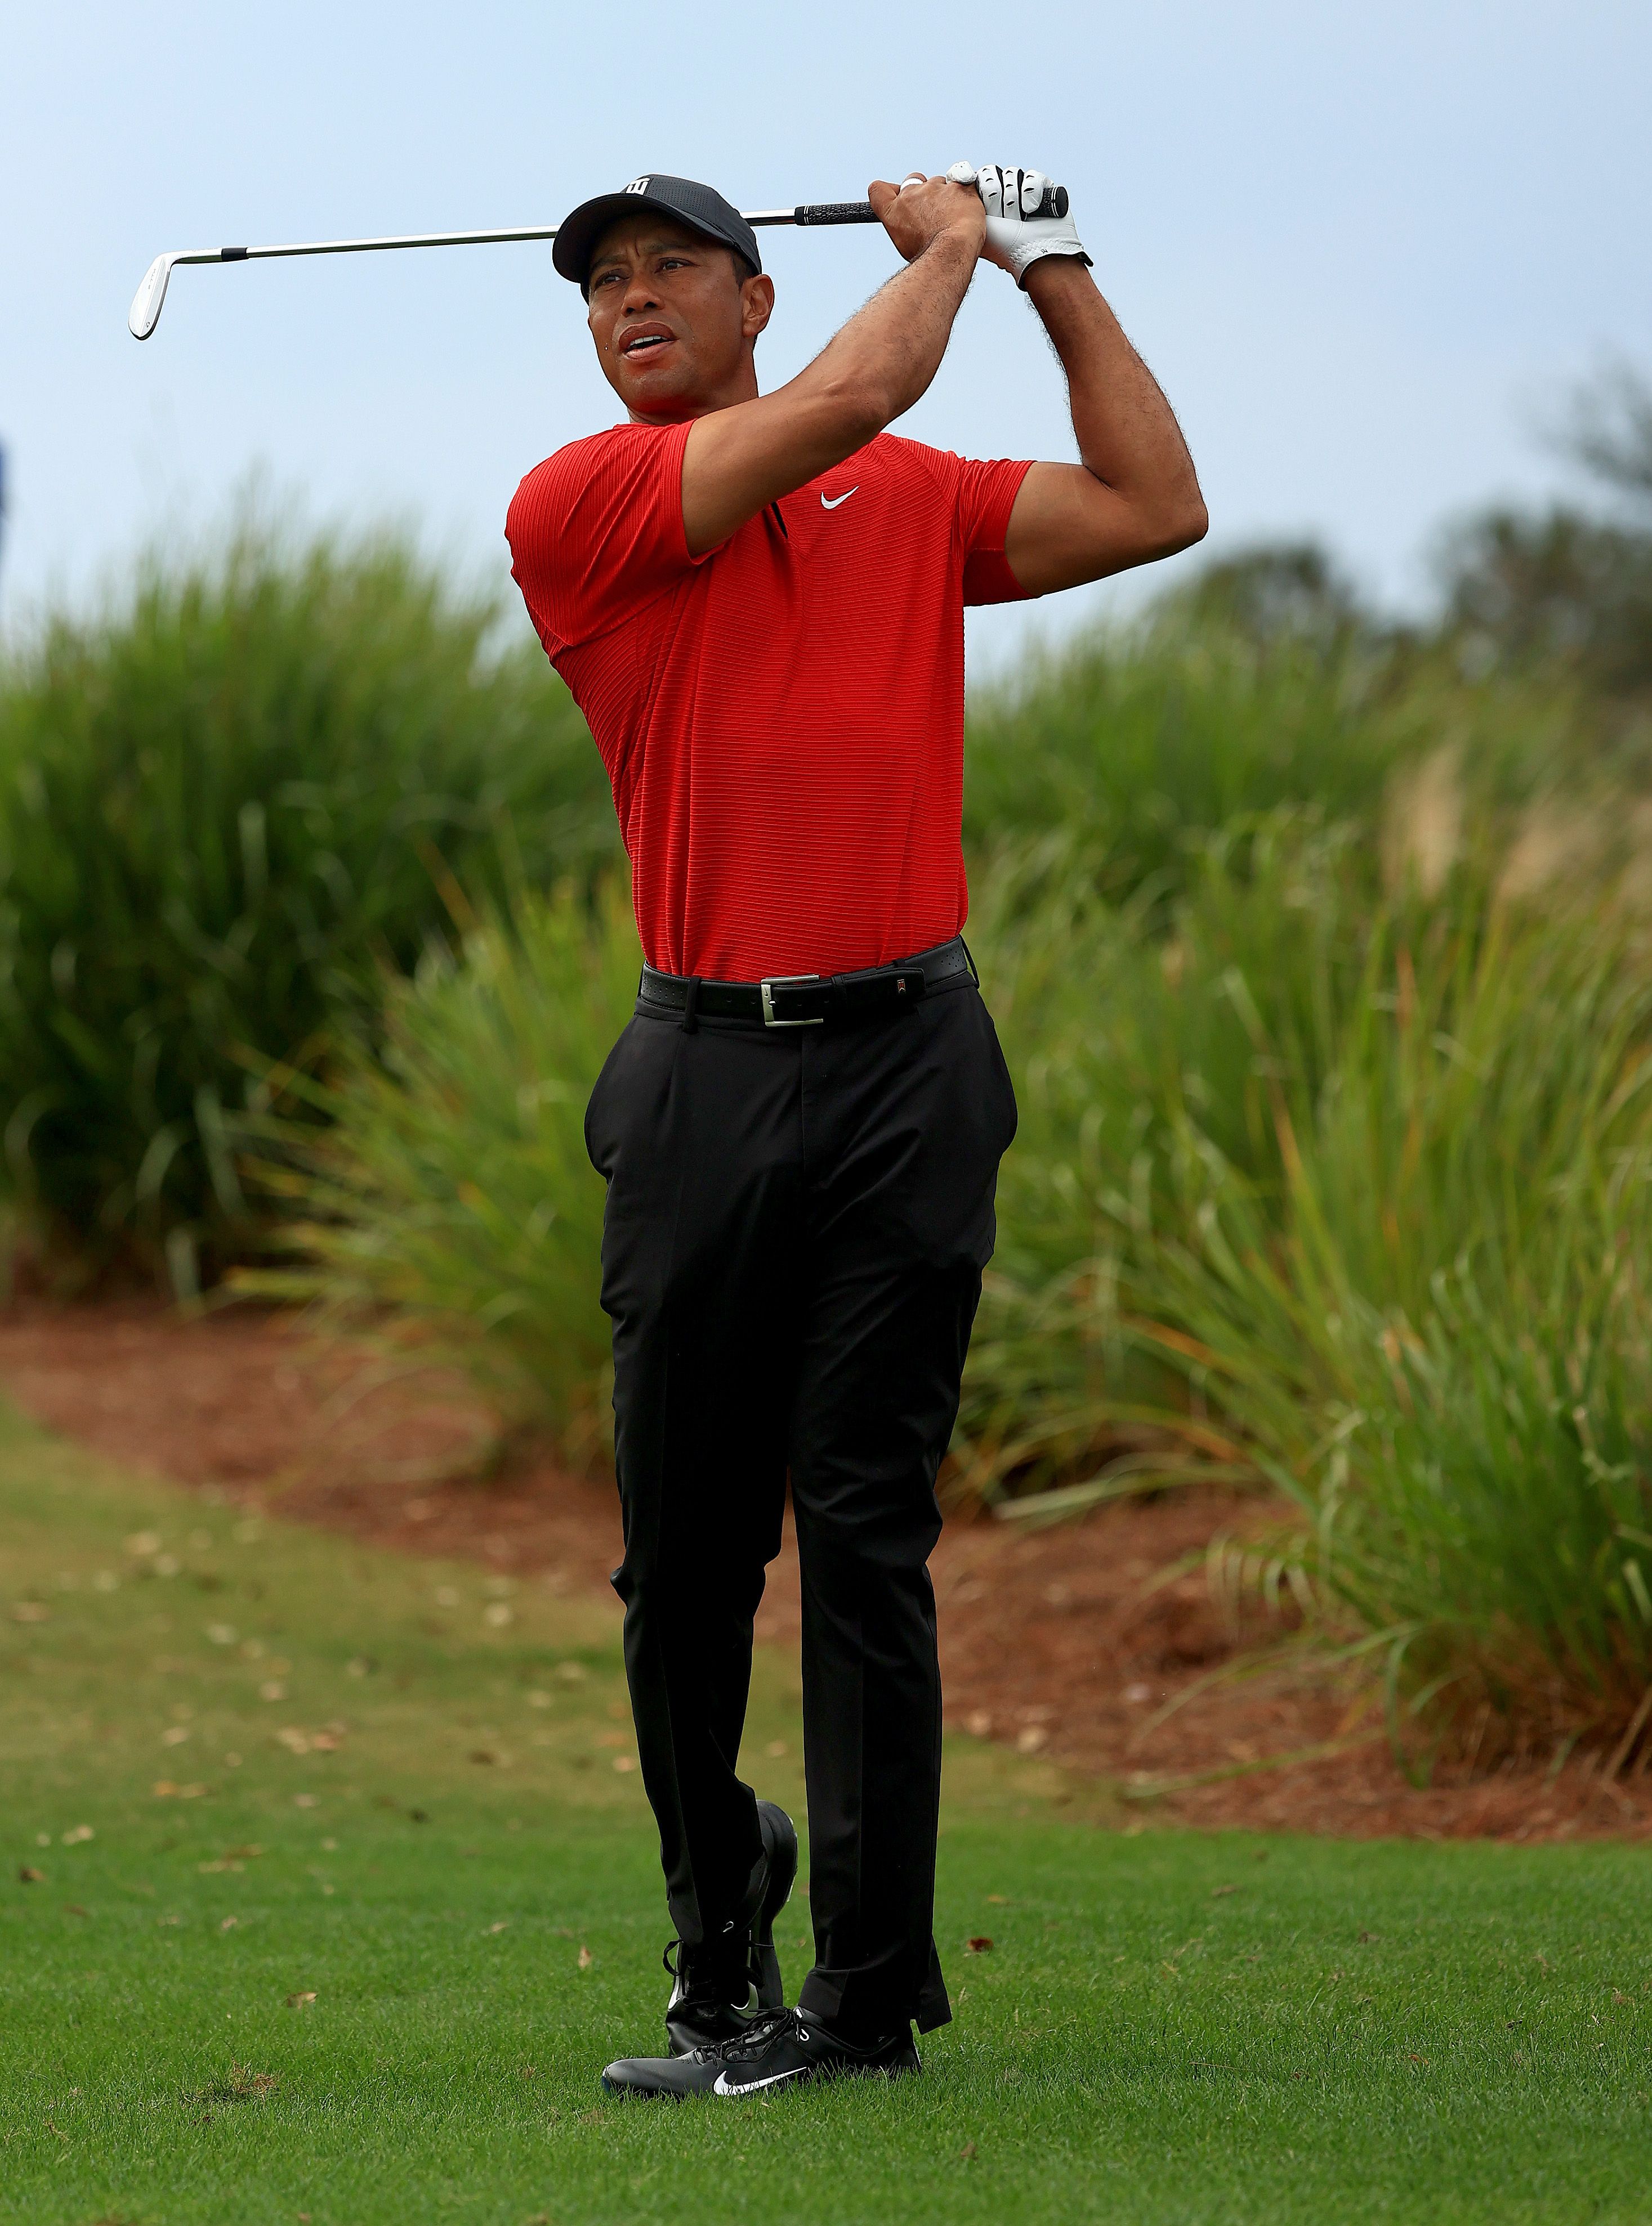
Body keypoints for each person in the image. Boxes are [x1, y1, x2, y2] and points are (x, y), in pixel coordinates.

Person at [506, 162, 1206, 2099]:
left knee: (870, 1541)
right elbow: (845, 401)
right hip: (703, 1072)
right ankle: (714, 1924)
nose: (632, 299)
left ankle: (869, 1997)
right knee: (686, 1562)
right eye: (604, 283)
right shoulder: (587, 503)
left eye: (674, 270)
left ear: (753, 294)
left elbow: (1159, 503)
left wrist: (1054, 267)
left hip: (914, 1059)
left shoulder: (903, 503)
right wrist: (957, 242)